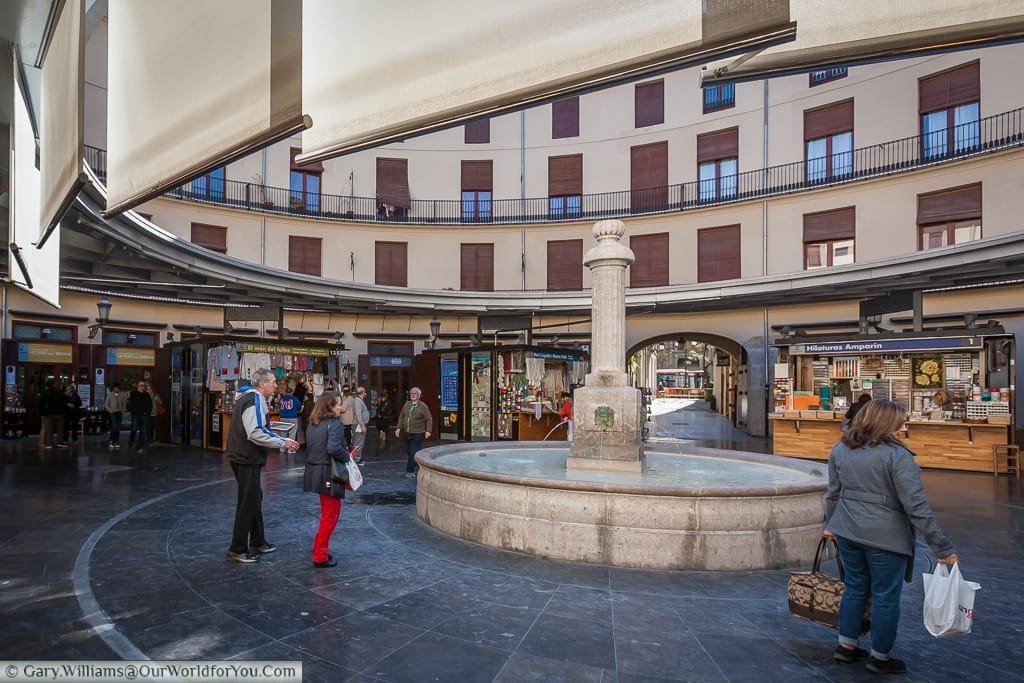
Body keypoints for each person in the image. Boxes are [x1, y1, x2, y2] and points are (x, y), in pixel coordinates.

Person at [823, 398, 958, 675]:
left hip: (847, 531)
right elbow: (916, 507)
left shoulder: (840, 450)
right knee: (886, 596)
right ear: (885, 424)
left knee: (854, 588)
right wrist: (941, 547)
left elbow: (833, 493)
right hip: (885, 538)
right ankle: (880, 656)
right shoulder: (898, 457)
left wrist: (830, 524)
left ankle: (846, 646)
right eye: (900, 423)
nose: (904, 427)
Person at [225, 368, 299, 563]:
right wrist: (282, 442)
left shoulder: (247, 398)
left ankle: (258, 540)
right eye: (273, 382)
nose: (276, 385)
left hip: (242, 455)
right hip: (246, 457)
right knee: (248, 502)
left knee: (254, 498)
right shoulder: (254, 399)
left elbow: (255, 427)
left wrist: (274, 433)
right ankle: (237, 548)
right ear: (262, 384)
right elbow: (255, 432)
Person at [302, 390, 348, 568]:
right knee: (330, 515)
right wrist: (347, 458)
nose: (341, 407)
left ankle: (318, 548)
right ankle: (320, 555)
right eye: (338, 404)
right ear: (330, 406)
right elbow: (333, 448)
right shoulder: (334, 424)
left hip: (314, 471)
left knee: (327, 513)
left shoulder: (312, 423)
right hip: (328, 472)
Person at [394, 387, 432, 478]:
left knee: (413, 452)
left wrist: (428, 431)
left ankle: (409, 471)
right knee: (409, 452)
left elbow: (429, 419)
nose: (413, 395)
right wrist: (398, 428)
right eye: (411, 393)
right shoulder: (407, 404)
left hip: (418, 433)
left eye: (415, 394)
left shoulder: (423, 406)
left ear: (419, 396)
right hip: (407, 433)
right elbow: (401, 416)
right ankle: (419, 466)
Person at [38, 379, 67, 449]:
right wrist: (62, 411)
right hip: (59, 414)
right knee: (60, 429)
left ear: (47, 385)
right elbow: (64, 401)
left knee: (49, 429)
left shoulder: (45, 393)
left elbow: (40, 403)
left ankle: (49, 444)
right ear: (53, 384)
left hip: (49, 414)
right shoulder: (59, 392)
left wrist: (43, 412)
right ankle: (60, 442)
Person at [127, 380, 153, 453]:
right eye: (141, 385)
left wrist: (147, 412)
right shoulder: (133, 394)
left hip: (144, 416)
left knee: (143, 431)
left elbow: (150, 404)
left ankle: (141, 447)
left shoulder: (146, 394)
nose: (143, 387)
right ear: (138, 386)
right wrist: (135, 412)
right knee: (134, 429)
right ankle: (131, 443)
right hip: (136, 415)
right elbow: (131, 404)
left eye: (143, 385)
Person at [105, 382, 127, 449]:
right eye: (115, 388)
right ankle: (111, 441)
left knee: (118, 428)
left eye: (117, 388)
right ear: (113, 388)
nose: (116, 389)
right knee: (114, 427)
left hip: (119, 413)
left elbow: (124, 403)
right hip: (113, 413)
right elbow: (106, 405)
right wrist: (110, 411)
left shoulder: (122, 394)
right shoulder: (110, 395)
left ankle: (116, 441)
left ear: (119, 388)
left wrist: (123, 409)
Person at [350, 386, 370, 463]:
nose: (365, 393)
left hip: (359, 424)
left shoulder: (359, 400)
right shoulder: (358, 401)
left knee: (359, 441)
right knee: (358, 442)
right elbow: (358, 414)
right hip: (358, 425)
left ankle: (357, 457)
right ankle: (356, 459)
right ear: (362, 393)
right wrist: (362, 425)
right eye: (364, 392)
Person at [339, 385, 355, 450]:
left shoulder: (347, 398)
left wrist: (337, 408)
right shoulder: (351, 398)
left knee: (346, 434)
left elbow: (343, 409)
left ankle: (348, 446)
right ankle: (349, 445)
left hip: (345, 420)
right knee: (348, 433)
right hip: (349, 419)